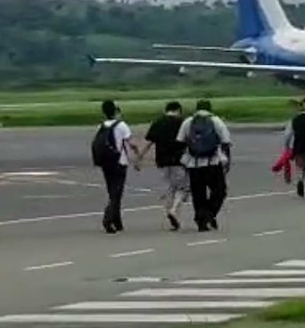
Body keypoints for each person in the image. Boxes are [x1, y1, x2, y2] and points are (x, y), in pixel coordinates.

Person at [176, 99, 232, 231]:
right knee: (219, 191)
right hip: (212, 162)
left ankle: (200, 220)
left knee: (198, 193)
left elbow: (180, 141)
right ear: (210, 108)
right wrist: (227, 160)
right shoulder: (216, 121)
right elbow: (226, 141)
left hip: (193, 164)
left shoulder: (188, 122)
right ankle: (210, 213)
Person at [136, 101, 189, 231]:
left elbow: (149, 143)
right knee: (183, 188)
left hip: (162, 161)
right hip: (179, 160)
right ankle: (174, 210)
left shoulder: (158, 122)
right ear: (178, 110)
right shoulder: (182, 122)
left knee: (169, 187)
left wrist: (139, 158)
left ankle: (168, 211)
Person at [91, 100, 140, 234]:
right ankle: (108, 219)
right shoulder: (122, 125)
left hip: (106, 163)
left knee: (112, 191)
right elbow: (131, 143)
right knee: (116, 193)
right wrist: (137, 156)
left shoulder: (101, 126)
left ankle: (117, 222)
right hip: (119, 162)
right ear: (116, 111)